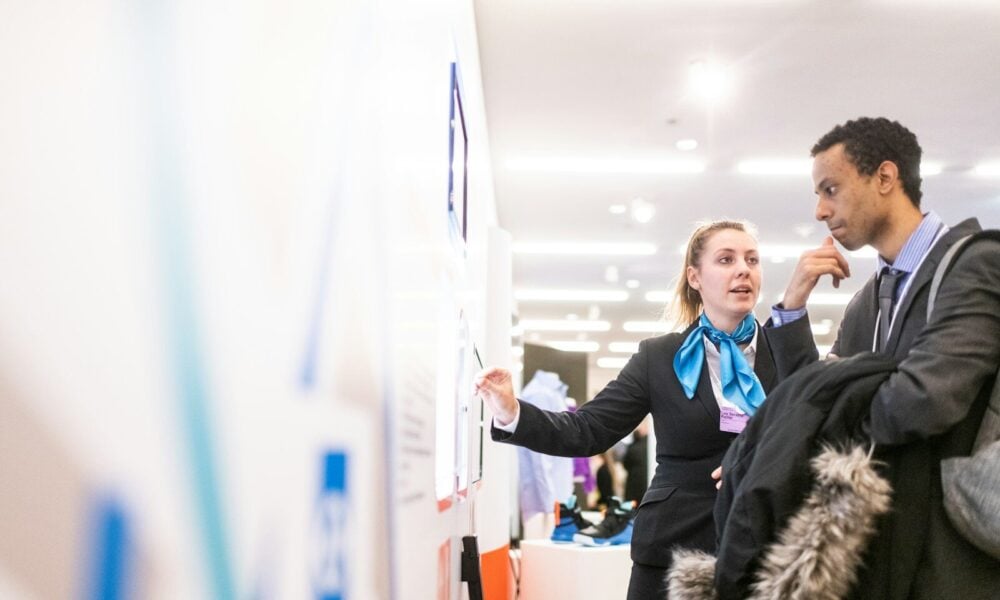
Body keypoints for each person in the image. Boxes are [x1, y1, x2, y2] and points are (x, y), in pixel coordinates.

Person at [475, 220, 790, 600]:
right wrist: (511, 411)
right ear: (695, 276)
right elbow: (588, 429)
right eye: (726, 259)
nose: (743, 269)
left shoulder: (786, 352)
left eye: (752, 260)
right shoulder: (658, 358)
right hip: (673, 549)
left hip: (765, 548)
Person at [766, 117, 1000, 598]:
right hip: (887, 556)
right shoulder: (866, 304)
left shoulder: (974, 263)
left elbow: (921, 401)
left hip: (954, 562)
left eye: (831, 189)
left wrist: (803, 435)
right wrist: (791, 311)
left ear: (886, 178)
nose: (819, 210)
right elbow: (814, 396)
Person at [622, 419, 649, 503]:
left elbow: (626, 464)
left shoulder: (634, 447)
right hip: (646, 490)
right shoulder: (652, 447)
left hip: (633, 491)